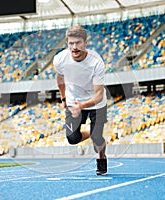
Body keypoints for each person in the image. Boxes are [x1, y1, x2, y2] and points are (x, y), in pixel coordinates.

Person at [53, 25, 108, 175]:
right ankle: (93, 131)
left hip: (95, 103)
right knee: (72, 138)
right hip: (73, 101)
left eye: (78, 43)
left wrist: (82, 106)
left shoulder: (96, 62)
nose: (74, 47)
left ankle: (101, 157)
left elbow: (99, 95)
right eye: (71, 43)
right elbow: (60, 77)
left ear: (85, 43)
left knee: (97, 138)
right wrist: (63, 97)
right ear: (67, 44)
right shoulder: (60, 59)